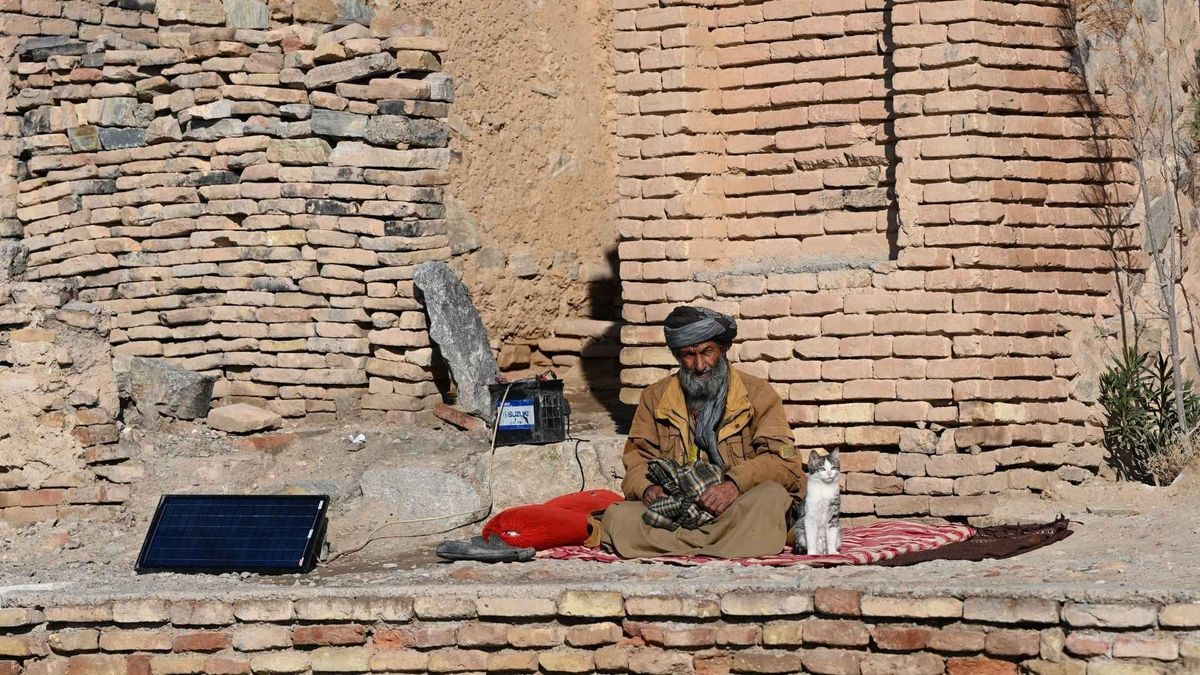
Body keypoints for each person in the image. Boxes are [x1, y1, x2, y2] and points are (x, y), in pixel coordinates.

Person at [589, 305, 806, 558]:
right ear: (678, 356)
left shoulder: (758, 394)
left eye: (707, 352)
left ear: (723, 349)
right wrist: (648, 490)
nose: (700, 365)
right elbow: (637, 459)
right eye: (689, 355)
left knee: (770, 496)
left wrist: (733, 485)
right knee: (619, 516)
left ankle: (677, 545)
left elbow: (785, 462)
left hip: (736, 504)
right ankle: (725, 544)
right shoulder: (654, 397)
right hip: (679, 509)